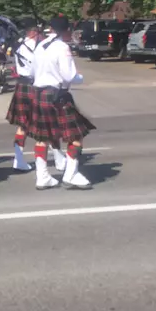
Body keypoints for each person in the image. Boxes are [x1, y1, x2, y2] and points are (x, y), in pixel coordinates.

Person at [27, 15, 95, 190]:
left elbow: (32, 72)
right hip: (57, 95)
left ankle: (42, 177)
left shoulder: (40, 45)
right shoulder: (62, 47)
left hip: (39, 93)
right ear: (66, 30)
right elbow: (69, 76)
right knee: (76, 135)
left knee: (43, 136)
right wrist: (80, 78)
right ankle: (71, 174)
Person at [6, 18, 41, 172]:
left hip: (22, 85)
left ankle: (18, 159)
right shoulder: (36, 47)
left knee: (23, 126)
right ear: (34, 31)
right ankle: (48, 164)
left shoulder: (20, 46)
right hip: (33, 85)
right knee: (44, 125)